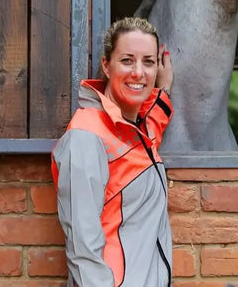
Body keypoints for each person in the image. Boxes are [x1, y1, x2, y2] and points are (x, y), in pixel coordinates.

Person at [51, 17, 174, 287]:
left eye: (148, 62)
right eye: (127, 60)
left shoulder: (136, 132)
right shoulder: (86, 136)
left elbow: (150, 127)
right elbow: (83, 251)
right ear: (106, 65)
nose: (139, 73)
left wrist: (163, 92)